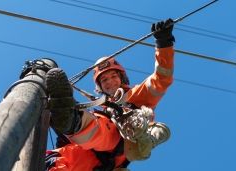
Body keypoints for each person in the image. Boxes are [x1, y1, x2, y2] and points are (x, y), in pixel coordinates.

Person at [45, 18, 175, 171]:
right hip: (82, 155)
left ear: (121, 78)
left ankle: (73, 122)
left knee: (104, 128)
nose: (110, 81)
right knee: (53, 160)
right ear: (99, 87)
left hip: (117, 144)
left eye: (113, 76)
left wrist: (164, 44)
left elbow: (162, 78)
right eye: (104, 80)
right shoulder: (100, 106)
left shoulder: (134, 96)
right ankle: (68, 120)